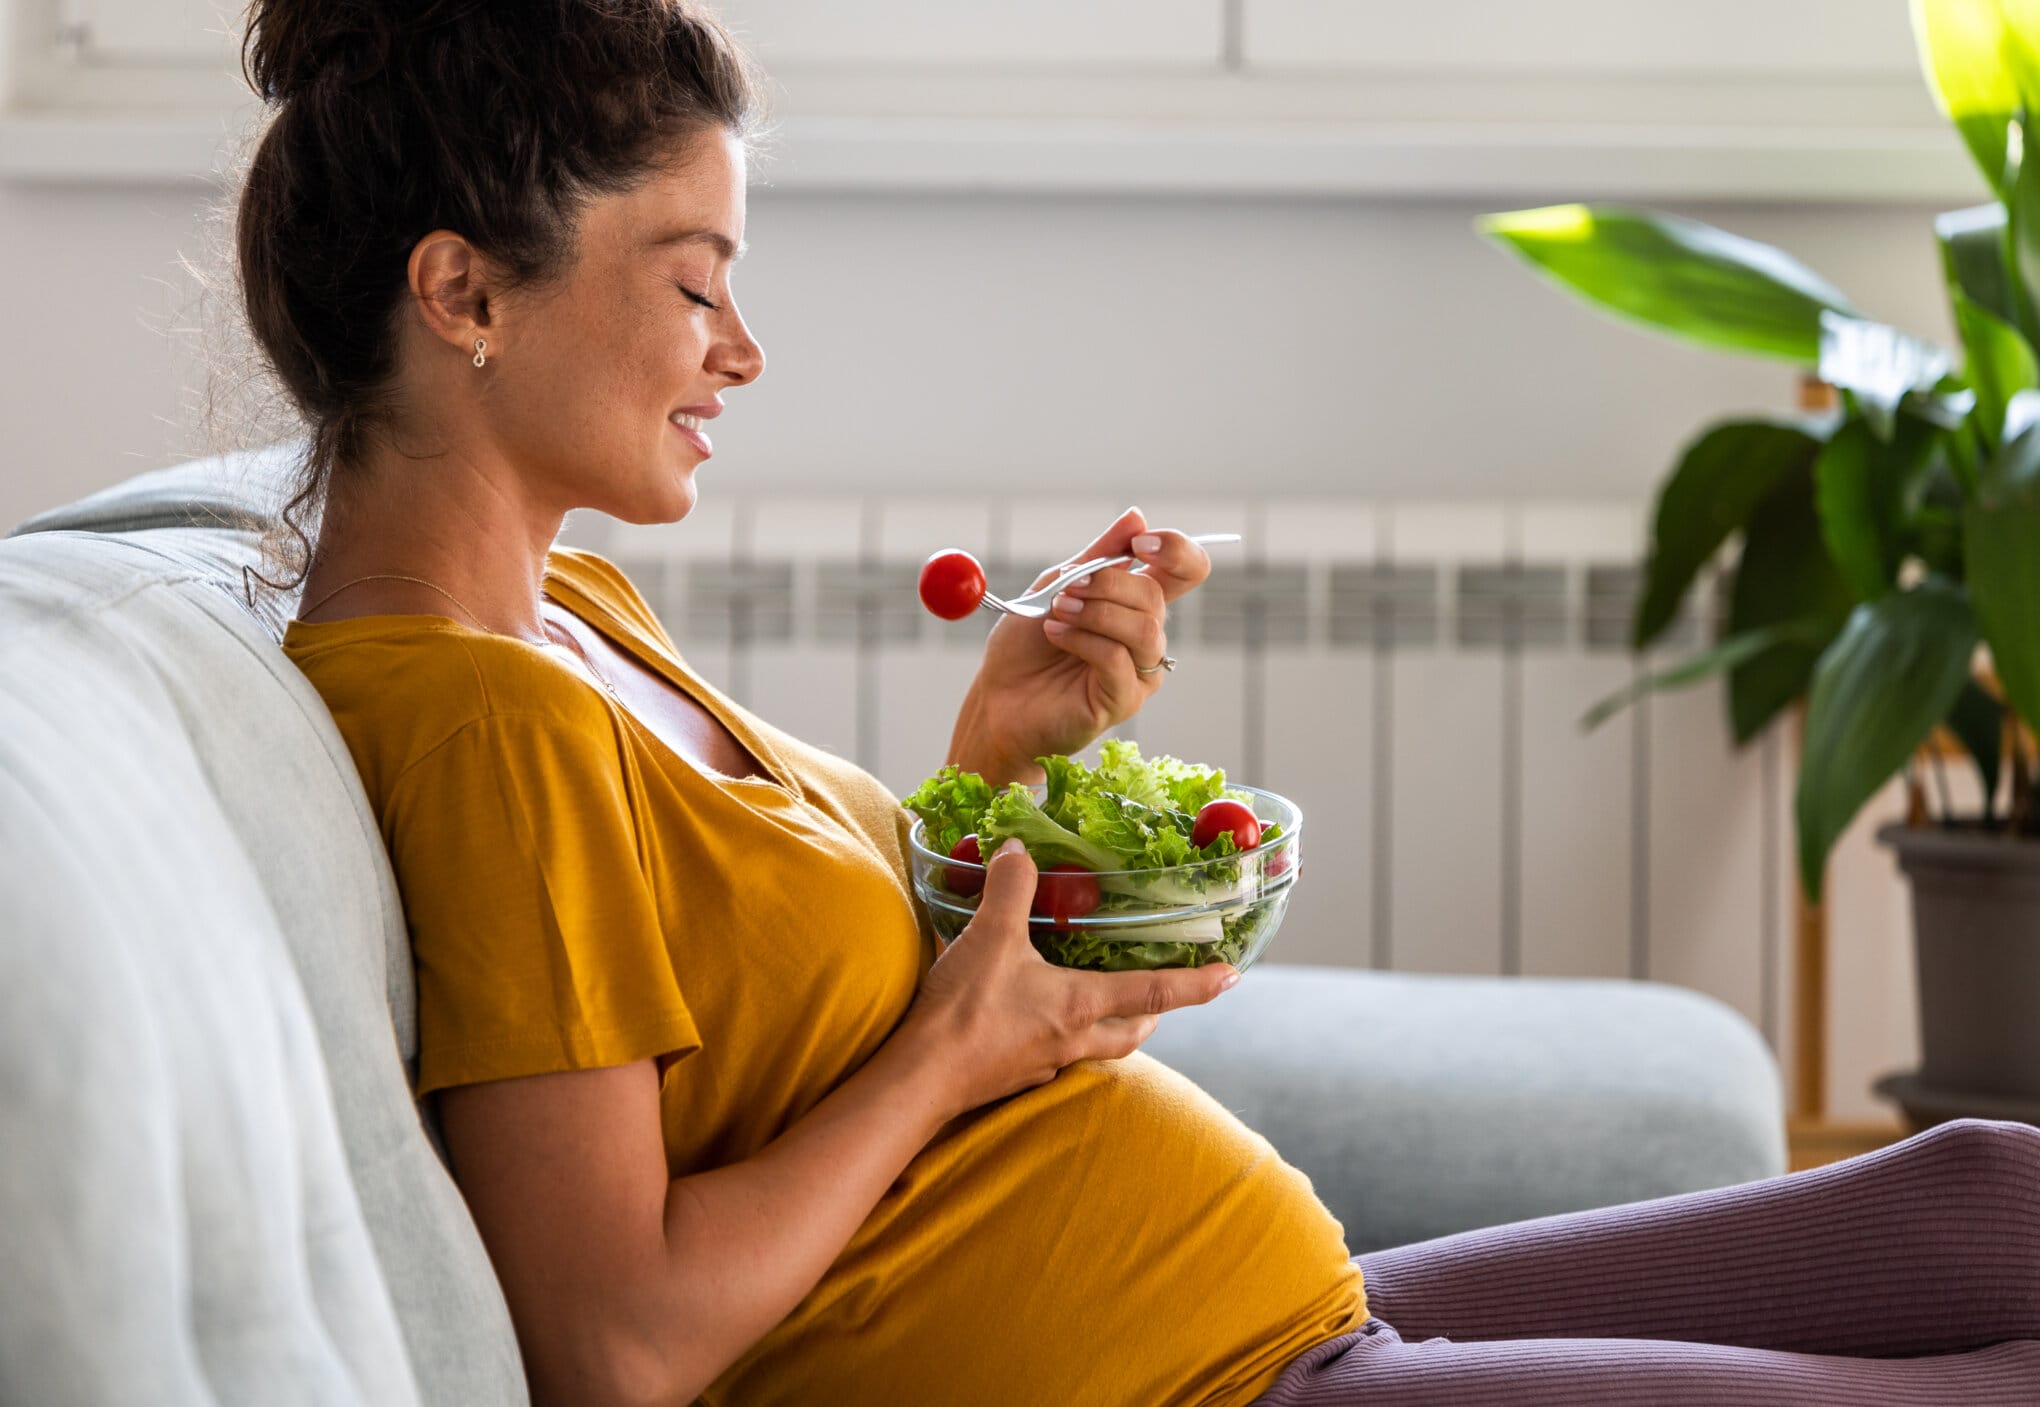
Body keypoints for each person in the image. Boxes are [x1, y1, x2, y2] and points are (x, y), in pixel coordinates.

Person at [231, 3, 2040, 1404]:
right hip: (1189, 1379)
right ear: (462, 290)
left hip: (1260, 1312)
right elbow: (613, 1346)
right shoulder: (480, 726)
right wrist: (969, 1044)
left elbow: (776, 1025)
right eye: (695, 283)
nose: (742, 351)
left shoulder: (569, 613)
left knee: (1981, 1194)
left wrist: (993, 769)